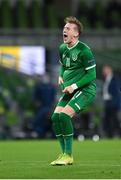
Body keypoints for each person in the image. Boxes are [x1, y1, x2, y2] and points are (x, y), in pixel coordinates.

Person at [50, 16, 96, 165]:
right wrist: (60, 76)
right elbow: (63, 64)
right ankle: (64, 154)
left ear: (76, 34)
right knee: (55, 118)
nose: (65, 30)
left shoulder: (84, 50)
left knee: (64, 116)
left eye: (68, 28)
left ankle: (69, 155)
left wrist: (74, 86)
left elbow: (92, 75)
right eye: (64, 28)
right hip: (69, 91)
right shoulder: (63, 48)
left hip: (86, 90)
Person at [102, 65, 121, 138]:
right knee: (108, 119)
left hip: (113, 103)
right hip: (107, 102)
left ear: (110, 70)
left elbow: (116, 90)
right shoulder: (106, 79)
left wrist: (112, 98)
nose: (104, 72)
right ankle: (110, 135)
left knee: (114, 119)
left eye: (105, 70)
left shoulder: (115, 78)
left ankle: (116, 133)